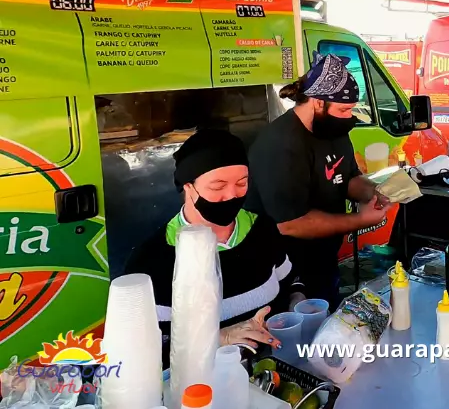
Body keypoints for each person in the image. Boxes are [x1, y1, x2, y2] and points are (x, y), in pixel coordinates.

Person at [126, 129, 305, 365]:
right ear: (188, 187)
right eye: (218, 186)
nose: (232, 195)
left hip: (275, 369)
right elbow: (138, 353)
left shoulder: (261, 229)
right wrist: (220, 338)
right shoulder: (151, 261)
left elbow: (290, 280)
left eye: (242, 183)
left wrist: (299, 303)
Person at [246, 53, 392, 310]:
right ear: (317, 101)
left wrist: (373, 192)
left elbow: (346, 178)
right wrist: (360, 220)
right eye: (344, 109)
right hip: (285, 270)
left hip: (324, 259)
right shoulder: (281, 144)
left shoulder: (332, 129)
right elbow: (291, 223)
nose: (349, 117)